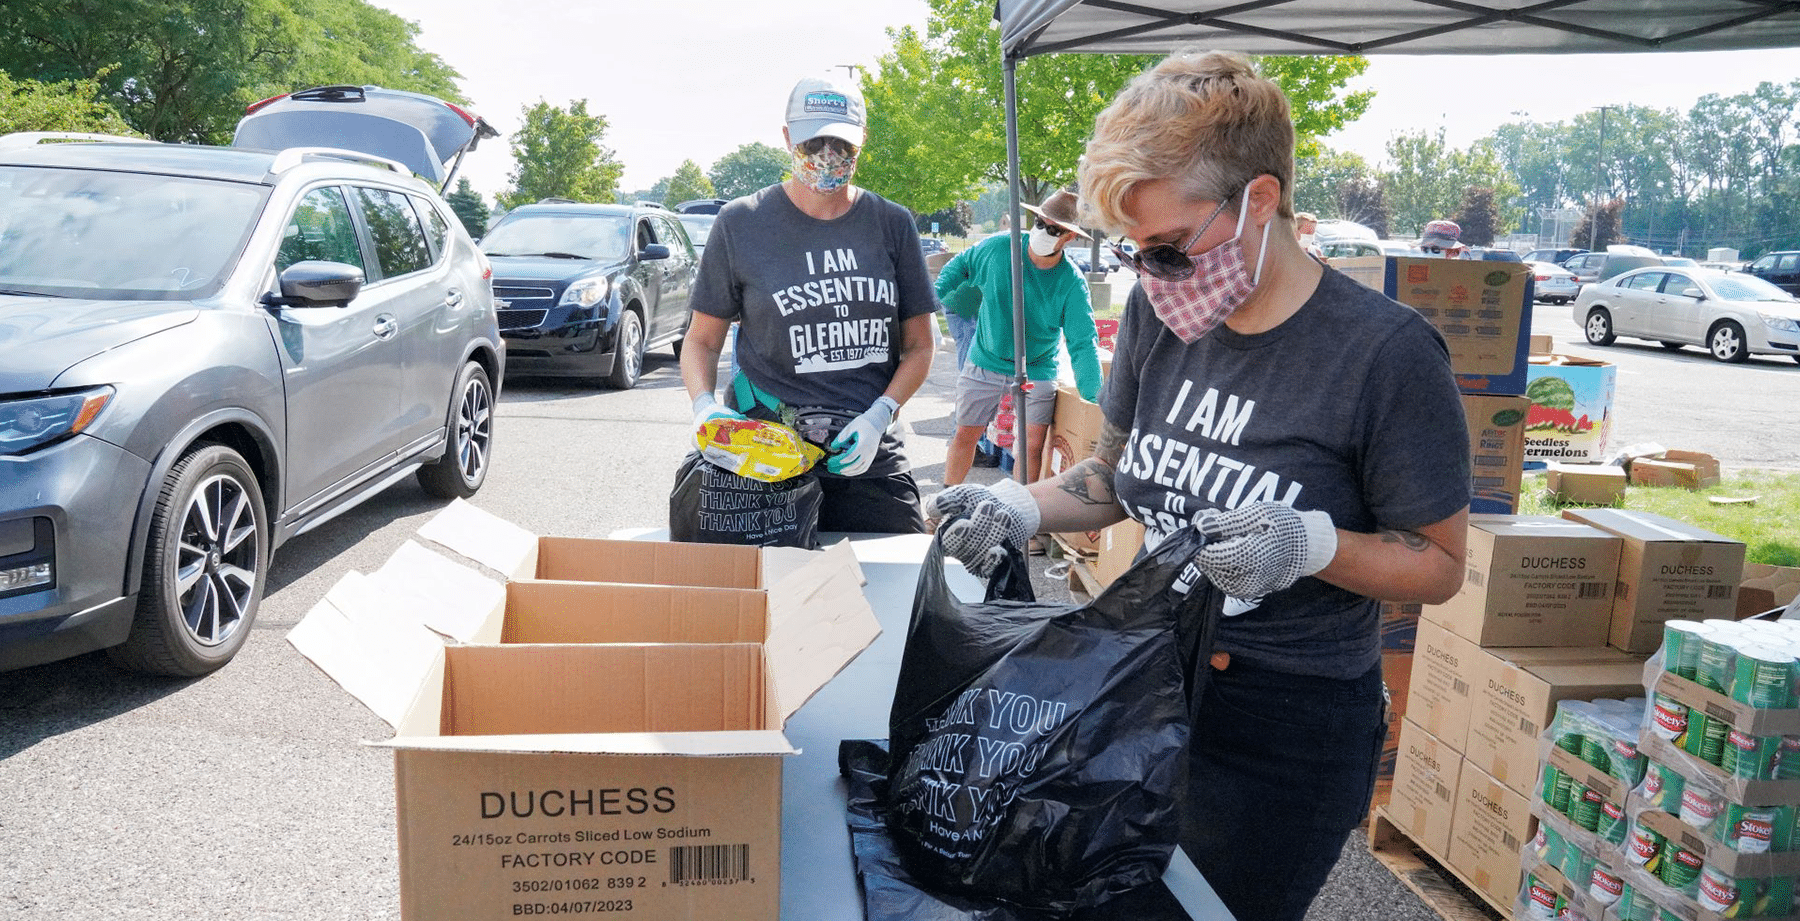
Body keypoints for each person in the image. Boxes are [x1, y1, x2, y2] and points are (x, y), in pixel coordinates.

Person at [925, 51, 1471, 921]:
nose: (1150, 275)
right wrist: (1017, 503)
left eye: (1170, 249)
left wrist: (1312, 542)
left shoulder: (1384, 355)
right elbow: (1114, 474)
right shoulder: (1158, 313)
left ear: (1259, 200)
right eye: (1135, 252)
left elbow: (1438, 563)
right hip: (1153, 681)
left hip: (1286, 729)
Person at [679, 73, 938, 534]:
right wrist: (704, 406)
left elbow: (919, 346)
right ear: (786, 138)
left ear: (860, 144)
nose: (827, 157)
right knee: (765, 598)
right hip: (762, 461)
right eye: (813, 142)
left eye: (841, 145)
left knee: (894, 590)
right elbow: (701, 340)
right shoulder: (741, 223)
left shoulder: (892, 224)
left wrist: (882, 413)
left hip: (867, 462)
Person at [935, 187, 1102, 488]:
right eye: (1041, 224)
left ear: (1070, 237)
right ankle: (946, 501)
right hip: (986, 358)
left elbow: (1082, 343)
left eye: (1055, 229)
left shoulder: (1071, 283)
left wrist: (1093, 399)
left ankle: (1019, 511)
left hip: (1036, 366)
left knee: (1030, 446)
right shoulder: (1000, 249)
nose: (1044, 232)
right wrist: (931, 297)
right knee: (965, 433)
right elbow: (960, 265)